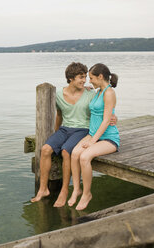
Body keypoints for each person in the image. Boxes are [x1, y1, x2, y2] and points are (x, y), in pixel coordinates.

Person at [31, 62, 95, 207]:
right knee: (45, 149)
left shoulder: (90, 93)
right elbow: (59, 115)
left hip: (82, 130)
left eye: (85, 77)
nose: (84, 80)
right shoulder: (59, 95)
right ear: (70, 78)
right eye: (81, 77)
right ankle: (43, 189)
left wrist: (111, 118)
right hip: (64, 129)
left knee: (66, 152)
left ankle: (64, 191)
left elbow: (100, 110)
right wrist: (55, 135)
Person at [68, 63, 119, 211]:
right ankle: (76, 189)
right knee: (74, 153)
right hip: (94, 135)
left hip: (108, 138)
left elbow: (105, 120)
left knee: (84, 157)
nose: (89, 81)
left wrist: (92, 141)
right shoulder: (98, 92)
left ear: (100, 76)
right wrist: (86, 89)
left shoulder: (109, 93)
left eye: (91, 78)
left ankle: (86, 194)